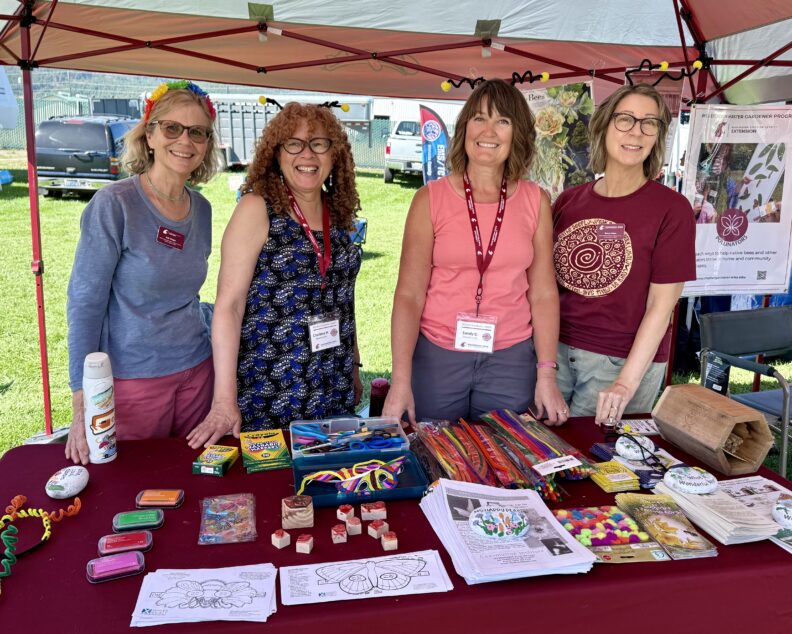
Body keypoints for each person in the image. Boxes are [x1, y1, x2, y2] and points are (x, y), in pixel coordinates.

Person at [382, 79, 568, 427]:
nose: (489, 131)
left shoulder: (535, 201)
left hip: (510, 359)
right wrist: (401, 380)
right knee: (434, 455)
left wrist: (546, 375)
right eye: (479, 118)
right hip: (438, 355)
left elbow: (543, 293)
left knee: (506, 462)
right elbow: (408, 295)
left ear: (518, 134)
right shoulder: (430, 199)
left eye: (503, 121)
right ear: (464, 126)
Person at [187, 103, 362, 448]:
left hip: (333, 380)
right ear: (276, 154)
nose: (307, 154)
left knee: (330, 483)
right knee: (276, 490)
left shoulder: (339, 214)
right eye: (293, 144)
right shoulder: (257, 208)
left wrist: (355, 364)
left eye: (319, 144)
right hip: (274, 384)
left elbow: (344, 298)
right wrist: (224, 400)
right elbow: (229, 306)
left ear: (334, 153)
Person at [65, 80, 220, 464]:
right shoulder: (115, 204)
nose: (185, 140)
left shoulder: (201, 209)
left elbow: (189, 295)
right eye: (172, 128)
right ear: (149, 135)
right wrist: (81, 399)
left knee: (195, 483)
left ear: (206, 145)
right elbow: (85, 302)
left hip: (198, 372)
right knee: (135, 485)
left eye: (197, 132)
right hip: (134, 381)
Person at [553, 84, 696, 424]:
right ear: (603, 126)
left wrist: (624, 384)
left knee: (598, 467)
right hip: (556, 354)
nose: (637, 131)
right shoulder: (569, 202)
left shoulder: (671, 209)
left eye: (650, 123)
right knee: (545, 460)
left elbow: (662, 307)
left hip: (620, 362)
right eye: (626, 119)